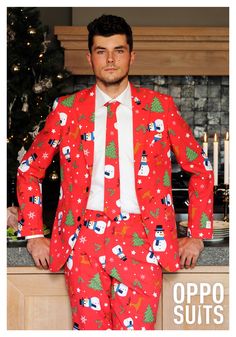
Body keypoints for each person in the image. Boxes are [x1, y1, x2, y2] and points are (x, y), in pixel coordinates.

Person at [16, 14, 214, 330]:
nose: (110, 59)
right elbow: (30, 169)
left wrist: (197, 235)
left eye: (119, 50)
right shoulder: (67, 109)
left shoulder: (159, 108)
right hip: (82, 241)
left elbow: (200, 169)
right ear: (89, 57)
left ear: (131, 55)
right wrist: (34, 234)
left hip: (142, 239)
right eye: (101, 51)